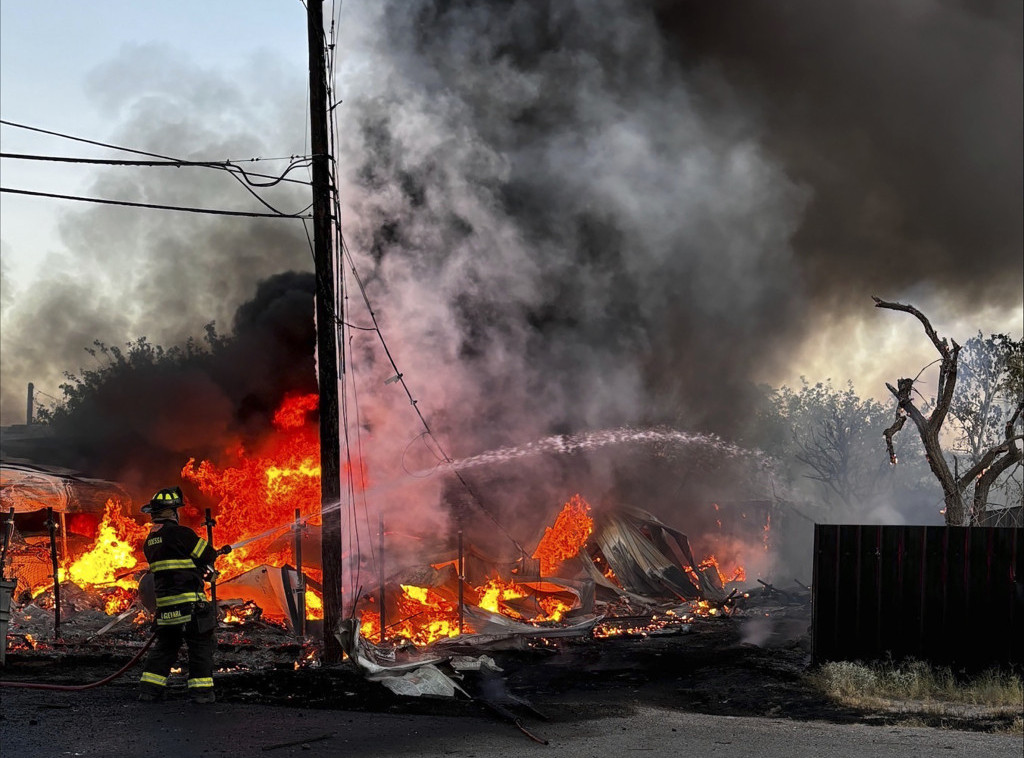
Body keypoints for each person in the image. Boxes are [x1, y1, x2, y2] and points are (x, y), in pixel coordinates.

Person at [137, 486, 230, 704]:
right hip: (190, 605)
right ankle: (201, 693)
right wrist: (211, 558)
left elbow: (177, 567)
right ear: (172, 512)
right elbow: (205, 553)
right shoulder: (181, 534)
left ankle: (149, 691)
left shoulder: (150, 542)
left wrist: (199, 569)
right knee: (200, 647)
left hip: (166, 608)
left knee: (166, 648)